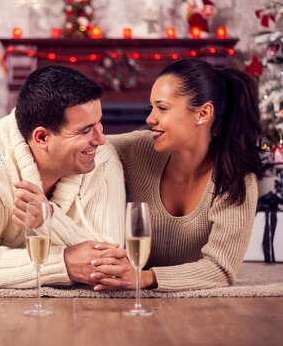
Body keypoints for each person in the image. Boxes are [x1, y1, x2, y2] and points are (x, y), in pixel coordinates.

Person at [0, 65, 128, 288]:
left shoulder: (101, 158)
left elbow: (112, 260)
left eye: (99, 123)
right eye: (85, 130)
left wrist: (49, 220)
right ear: (42, 137)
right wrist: (63, 263)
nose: (100, 139)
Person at [91, 58, 264, 291]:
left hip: (200, 313)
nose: (150, 119)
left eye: (162, 108)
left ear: (203, 113)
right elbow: (78, 145)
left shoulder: (234, 178)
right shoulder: (140, 148)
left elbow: (220, 269)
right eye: (151, 107)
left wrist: (143, 278)